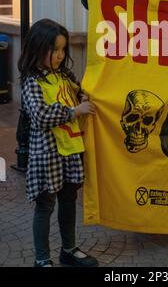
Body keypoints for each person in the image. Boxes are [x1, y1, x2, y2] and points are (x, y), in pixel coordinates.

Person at [18, 18, 98, 267]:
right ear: (38, 48)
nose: (61, 56)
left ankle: (69, 250)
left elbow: (78, 92)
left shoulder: (64, 74)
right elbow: (40, 116)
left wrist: (82, 95)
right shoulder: (32, 80)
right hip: (47, 154)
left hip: (70, 150)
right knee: (45, 206)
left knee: (68, 201)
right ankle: (42, 260)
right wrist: (75, 111)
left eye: (64, 50)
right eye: (56, 50)